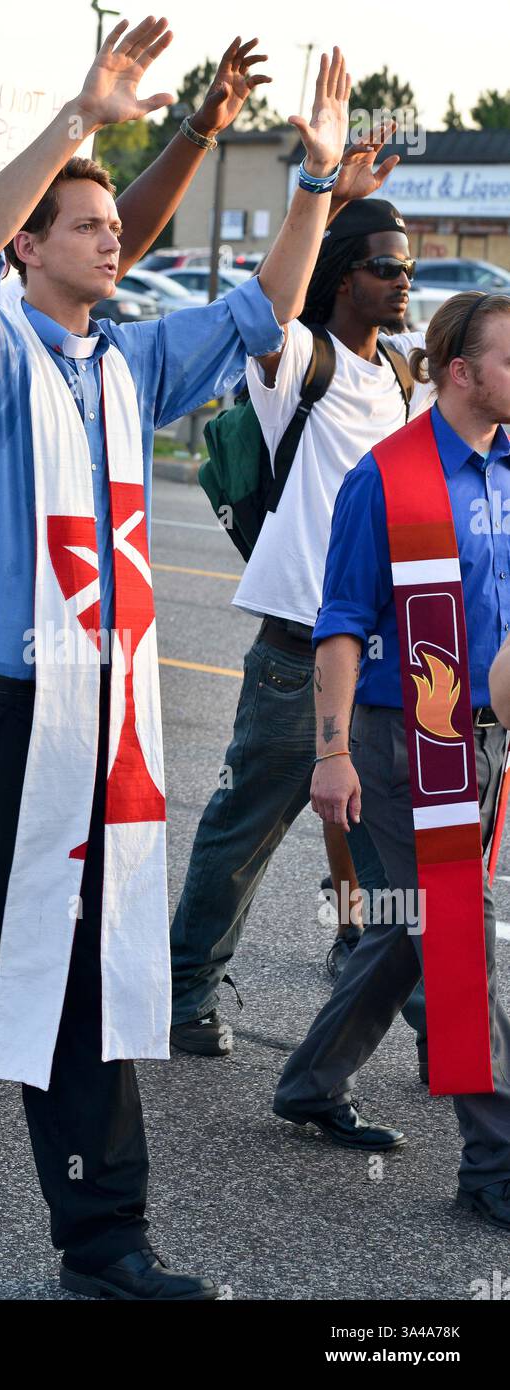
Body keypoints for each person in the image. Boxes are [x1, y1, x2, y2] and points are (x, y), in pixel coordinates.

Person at [0, 15, 350, 1299]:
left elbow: (266, 306)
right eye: (88, 223)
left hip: (107, 721)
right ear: (34, 251)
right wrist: (79, 116)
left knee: (92, 964)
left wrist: (313, 178)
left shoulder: (129, 361)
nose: (114, 236)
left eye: (113, 222)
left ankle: (101, 1237)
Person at [168, 187, 439, 1060]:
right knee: (242, 836)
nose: (402, 280)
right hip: (296, 654)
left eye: (408, 266)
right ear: (340, 277)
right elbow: (269, 297)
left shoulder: (400, 376)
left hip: (386, 664)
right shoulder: (296, 363)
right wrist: (325, 192)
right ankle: (183, 991)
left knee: (405, 865)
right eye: (384, 266)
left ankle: (444, 1026)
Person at [273, 292, 510, 1232]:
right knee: (456, 931)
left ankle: (308, 1082)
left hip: (481, 739)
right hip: (399, 739)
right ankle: (495, 1164)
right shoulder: (388, 478)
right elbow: (338, 626)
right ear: (461, 372)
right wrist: (331, 754)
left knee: (409, 927)